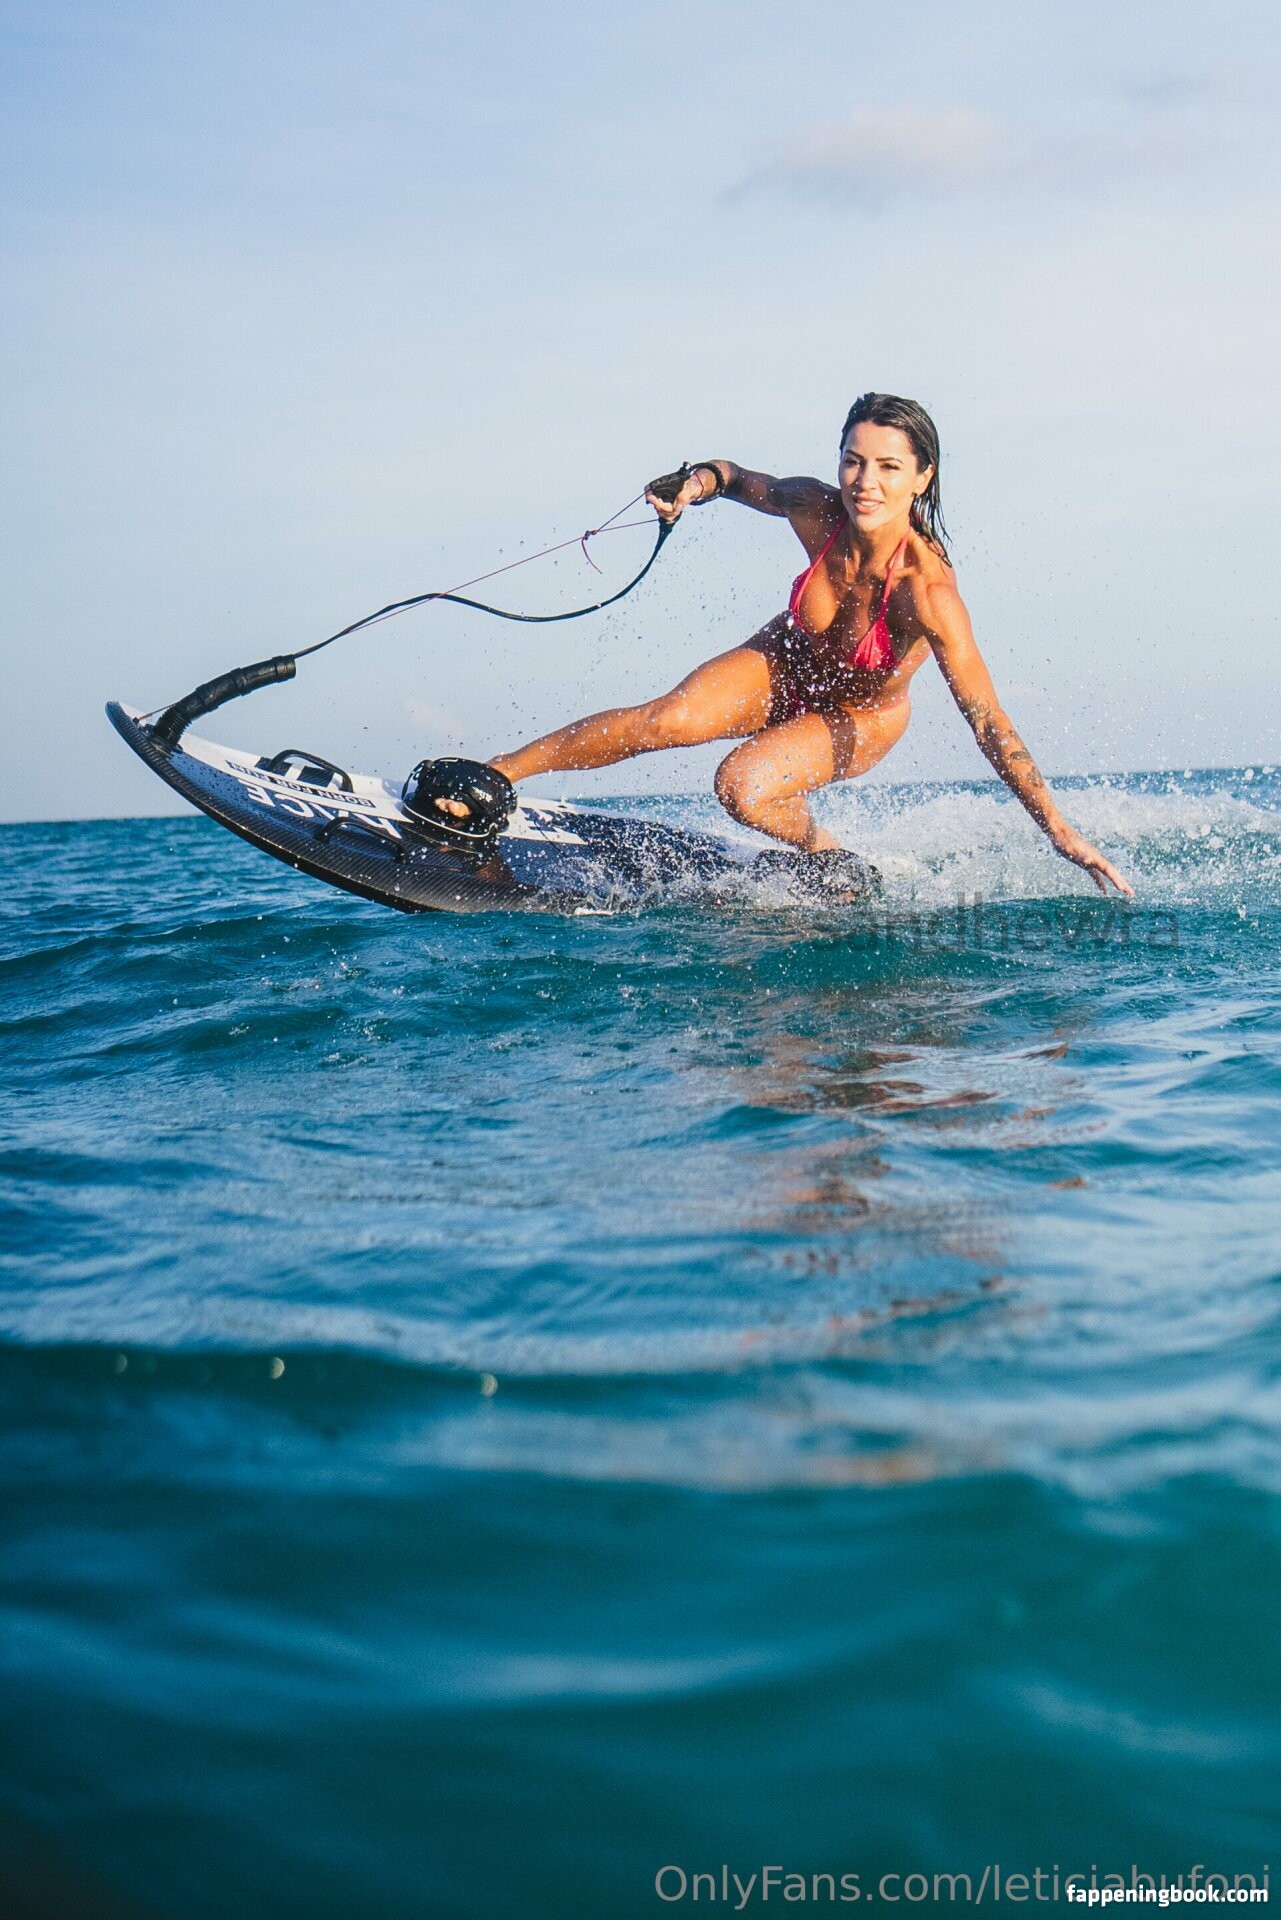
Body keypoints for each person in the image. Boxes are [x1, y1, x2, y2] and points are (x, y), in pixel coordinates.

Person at [482, 393, 1132, 897]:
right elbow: (734, 477)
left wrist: (1056, 828)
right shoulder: (815, 508)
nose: (865, 481)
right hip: (787, 660)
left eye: (888, 467)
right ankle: (496, 773)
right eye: (853, 460)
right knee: (666, 719)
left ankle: (825, 852)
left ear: (921, 477)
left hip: (861, 715)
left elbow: (987, 719)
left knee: (741, 787)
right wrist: (692, 485)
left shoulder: (926, 591)